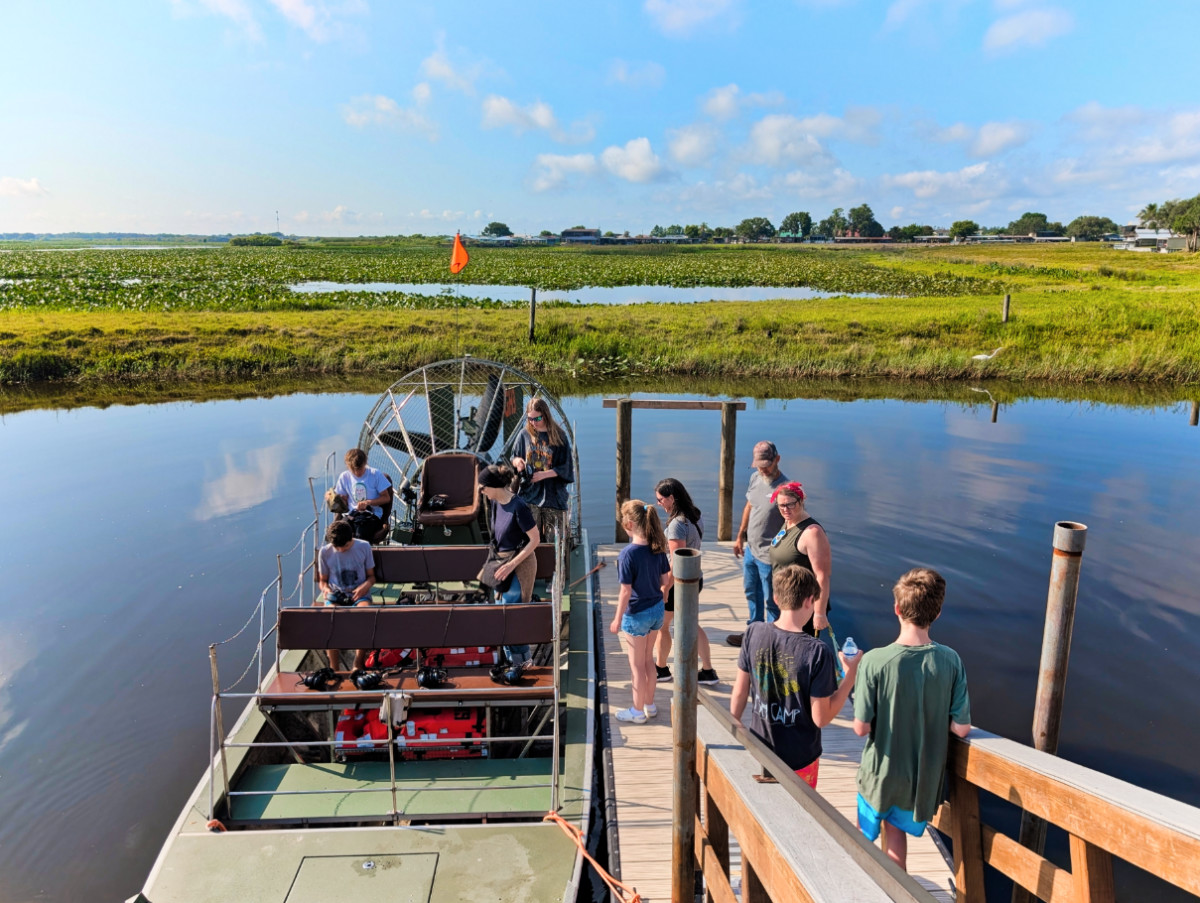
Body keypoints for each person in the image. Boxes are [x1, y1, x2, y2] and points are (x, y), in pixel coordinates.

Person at [852, 568, 972, 871]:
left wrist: (852, 672)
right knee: (896, 849)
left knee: (859, 842)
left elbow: (860, 727)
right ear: (938, 612)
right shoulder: (951, 660)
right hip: (917, 782)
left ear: (897, 608)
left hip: (879, 774)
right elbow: (961, 727)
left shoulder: (874, 661)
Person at [731, 565, 859, 788]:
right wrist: (850, 676)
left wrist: (733, 728)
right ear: (810, 601)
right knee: (798, 817)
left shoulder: (754, 632)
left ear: (776, 598)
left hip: (759, 750)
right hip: (799, 762)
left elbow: (740, 691)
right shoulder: (818, 652)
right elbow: (821, 718)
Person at [609, 500, 670, 725]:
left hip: (636, 615)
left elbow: (625, 591)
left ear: (629, 525)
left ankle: (636, 711)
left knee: (636, 668)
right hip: (656, 611)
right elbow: (665, 580)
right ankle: (650, 705)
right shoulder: (658, 548)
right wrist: (661, 596)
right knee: (648, 662)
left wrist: (617, 619)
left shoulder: (627, 554)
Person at [652, 478, 718, 686]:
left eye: (661, 500)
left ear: (672, 498)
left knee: (663, 627)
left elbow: (676, 561)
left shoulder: (677, 525)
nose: (659, 504)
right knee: (691, 624)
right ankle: (708, 670)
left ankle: (661, 669)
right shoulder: (695, 514)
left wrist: (665, 588)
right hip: (694, 577)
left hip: (678, 582)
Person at [479, 464, 541, 675]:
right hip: (501, 563)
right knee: (500, 610)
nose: (481, 492)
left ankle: (521, 662)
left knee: (509, 612)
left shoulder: (519, 507)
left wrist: (512, 565)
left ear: (493, 486)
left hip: (520, 565)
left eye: (483, 488)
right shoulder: (495, 504)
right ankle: (518, 661)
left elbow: (535, 540)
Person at [727, 440, 789, 647]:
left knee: (773, 601)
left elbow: (793, 525)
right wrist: (739, 535)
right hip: (751, 551)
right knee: (751, 592)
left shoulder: (786, 489)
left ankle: (773, 641)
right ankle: (753, 632)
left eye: (766, 465)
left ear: (777, 459)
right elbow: (749, 506)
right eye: (759, 465)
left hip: (771, 556)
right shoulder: (755, 477)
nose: (763, 469)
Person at [767, 482, 832, 637]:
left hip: (803, 606)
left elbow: (822, 576)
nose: (785, 509)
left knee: (801, 654)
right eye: (781, 505)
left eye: (790, 505)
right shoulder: (788, 522)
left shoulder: (812, 533)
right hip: (785, 600)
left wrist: (819, 613)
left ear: (801, 501)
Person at [511, 397, 574, 543]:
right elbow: (514, 456)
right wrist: (518, 462)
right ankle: (533, 565)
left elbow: (566, 467)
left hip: (554, 496)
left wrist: (544, 475)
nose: (533, 422)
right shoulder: (524, 435)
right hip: (529, 495)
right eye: (530, 418)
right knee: (530, 539)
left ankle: (555, 565)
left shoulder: (559, 436)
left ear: (545, 415)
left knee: (555, 540)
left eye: (537, 418)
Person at [316, 519, 376, 671]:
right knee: (330, 620)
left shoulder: (364, 547)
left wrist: (365, 586)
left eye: (346, 546)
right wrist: (326, 590)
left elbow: (371, 577)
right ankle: (334, 667)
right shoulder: (325, 552)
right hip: (336, 595)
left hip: (359, 595)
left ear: (352, 539)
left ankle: (358, 662)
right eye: (338, 547)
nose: (342, 550)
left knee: (365, 616)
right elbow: (322, 581)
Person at [334, 448, 392, 539]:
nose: (357, 473)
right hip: (352, 514)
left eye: (359, 469)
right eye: (353, 470)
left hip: (371, 514)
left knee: (360, 534)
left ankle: (363, 551)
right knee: (339, 533)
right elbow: (342, 501)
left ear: (365, 463)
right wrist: (334, 498)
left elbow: (386, 498)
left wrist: (368, 502)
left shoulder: (375, 474)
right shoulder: (344, 477)